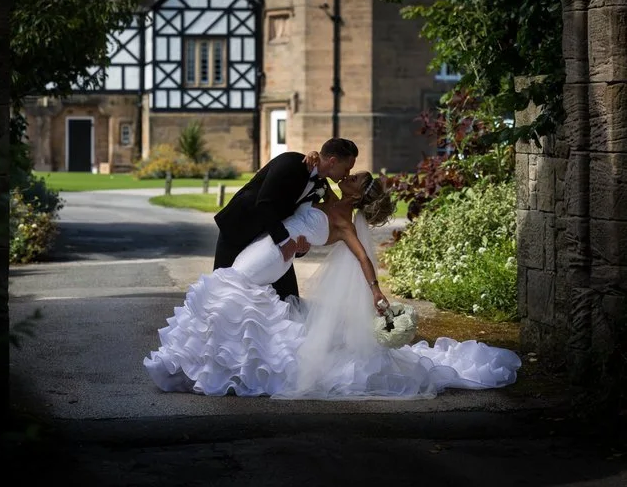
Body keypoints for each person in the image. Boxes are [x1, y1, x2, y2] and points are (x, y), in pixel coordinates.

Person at [144, 170, 521, 399]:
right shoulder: (323, 193)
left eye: (354, 178)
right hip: (271, 246)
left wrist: (375, 291)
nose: (349, 176)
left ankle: (226, 368)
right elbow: (307, 178)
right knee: (234, 288)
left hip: (276, 257)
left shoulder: (344, 225)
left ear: (357, 193)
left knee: (235, 290)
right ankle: (215, 364)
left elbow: (362, 259)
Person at [212, 137, 358, 302]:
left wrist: (301, 246)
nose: (347, 174)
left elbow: (302, 218)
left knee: (289, 299)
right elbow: (264, 203)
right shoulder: (290, 163)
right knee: (220, 292)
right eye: (347, 169)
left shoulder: (320, 184)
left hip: (270, 241)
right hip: (239, 228)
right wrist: (284, 241)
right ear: (333, 161)